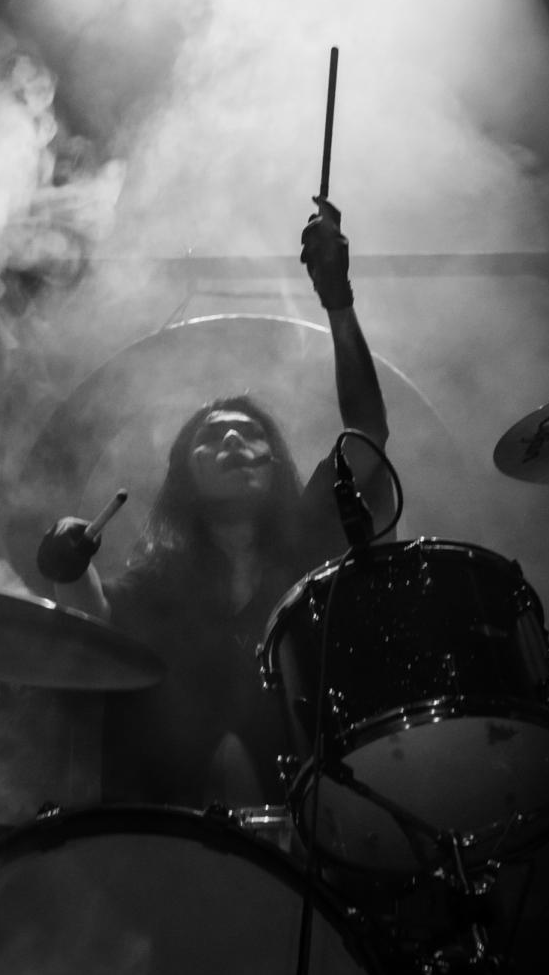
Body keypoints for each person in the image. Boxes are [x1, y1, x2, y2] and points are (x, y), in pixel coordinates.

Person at [37, 198, 392, 810]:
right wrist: (66, 555)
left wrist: (338, 299)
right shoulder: (158, 585)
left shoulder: (313, 537)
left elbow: (367, 432)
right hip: (167, 838)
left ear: (275, 463)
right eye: (211, 436)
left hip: (315, 826)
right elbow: (95, 623)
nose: (231, 440)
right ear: (184, 477)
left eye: (250, 433)